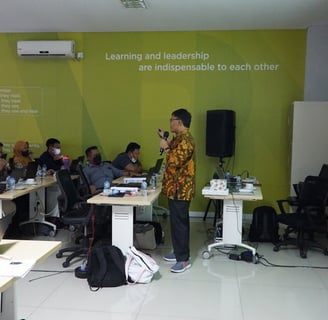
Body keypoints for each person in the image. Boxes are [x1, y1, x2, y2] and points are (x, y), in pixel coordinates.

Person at [159, 108, 196, 273]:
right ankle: (178, 252)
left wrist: (166, 148)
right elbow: (172, 149)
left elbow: (174, 160)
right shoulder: (179, 138)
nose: (170, 122)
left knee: (180, 223)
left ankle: (184, 259)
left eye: (171, 119)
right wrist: (164, 139)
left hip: (181, 189)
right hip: (174, 189)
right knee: (176, 223)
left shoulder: (187, 140)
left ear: (179, 121)